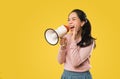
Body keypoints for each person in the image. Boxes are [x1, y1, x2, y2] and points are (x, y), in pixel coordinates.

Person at [57, 9, 96, 79]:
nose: (70, 22)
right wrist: (62, 47)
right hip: (66, 75)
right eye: (68, 20)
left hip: (82, 76)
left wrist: (73, 40)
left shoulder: (89, 41)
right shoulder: (67, 37)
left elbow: (75, 63)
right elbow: (60, 61)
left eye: (73, 19)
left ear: (82, 23)